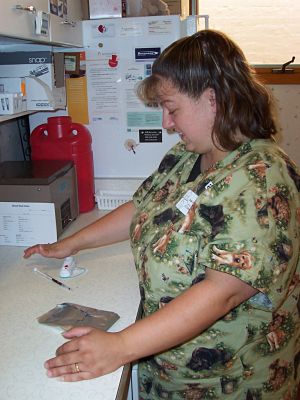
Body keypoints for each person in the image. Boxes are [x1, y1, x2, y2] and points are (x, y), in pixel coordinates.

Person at [24, 29, 300, 399]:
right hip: (169, 369)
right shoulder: (188, 156)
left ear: (213, 99)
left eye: (173, 109)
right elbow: (143, 207)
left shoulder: (263, 178)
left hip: (229, 383)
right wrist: (70, 244)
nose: (167, 124)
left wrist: (119, 347)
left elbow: (222, 294)